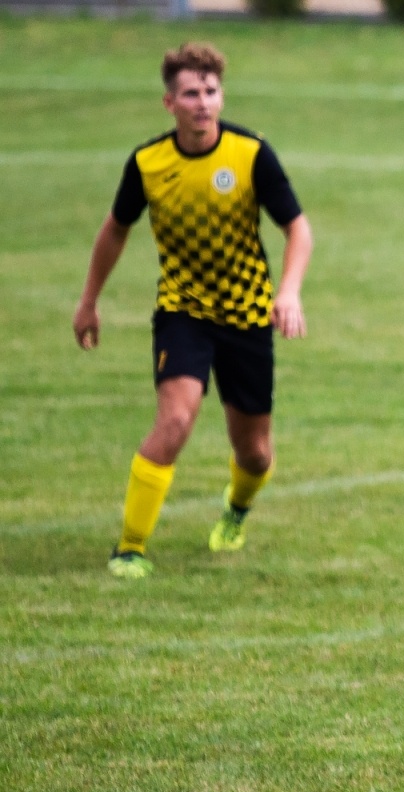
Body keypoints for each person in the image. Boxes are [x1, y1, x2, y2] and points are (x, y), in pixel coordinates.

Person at [74, 42, 313, 579]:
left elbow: (297, 228)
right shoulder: (148, 162)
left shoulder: (251, 154)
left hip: (249, 315)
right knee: (176, 419)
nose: (203, 103)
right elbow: (115, 229)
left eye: (210, 91)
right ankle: (130, 547)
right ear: (169, 103)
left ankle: (236, 510)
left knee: (254, 453)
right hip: (182, 311)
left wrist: (289, 291)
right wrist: (89, 300)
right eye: (190, 93)